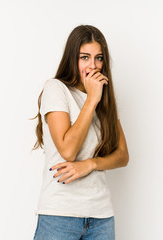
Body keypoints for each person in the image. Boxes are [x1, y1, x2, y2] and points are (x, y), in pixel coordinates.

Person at [31, 25, 129, 240]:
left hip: (101, 217)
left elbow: (122, 156)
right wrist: (92, 99)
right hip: (60, 216)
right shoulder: (56, 89)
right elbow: (68, 150)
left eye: (98, 58)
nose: (92, 65)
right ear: (72, 58)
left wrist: (91, 164)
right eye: (84, 57)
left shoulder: (106, 98)